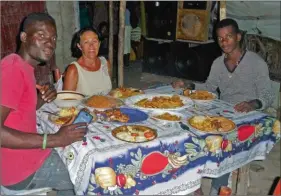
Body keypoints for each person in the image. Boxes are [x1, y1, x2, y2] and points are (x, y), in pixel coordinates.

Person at [172, 18, 273, 195]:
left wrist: (252, 104)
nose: (224, 42)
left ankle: (218, 188)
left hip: (248, 115)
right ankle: (194, 185)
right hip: (224, 110)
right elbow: (209, 88)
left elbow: (267, 96)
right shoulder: (218, 63)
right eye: (220, 38)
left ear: (239, 37)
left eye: (229, 37)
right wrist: (188, 85)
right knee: (188, 128)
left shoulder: (256, 63)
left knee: (223, 141)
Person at [0, 12, 87, 196]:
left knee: (72, 153)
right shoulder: (12, 68)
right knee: (79, 174)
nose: (50, 43)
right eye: (41, 36)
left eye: (53, 37)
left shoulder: (24, 67)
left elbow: (21, 110)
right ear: (24, 37)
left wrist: (44, 97)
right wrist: (54, 139)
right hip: (19, 170)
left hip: (22, 158)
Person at [63, 27, 112, 96]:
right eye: (86, 42)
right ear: (79, 46)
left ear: (99, 43)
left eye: (94, 41)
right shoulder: (73, 70)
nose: (91, 46)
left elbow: (109, 93)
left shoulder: (105, 63)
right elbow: (67, 101)